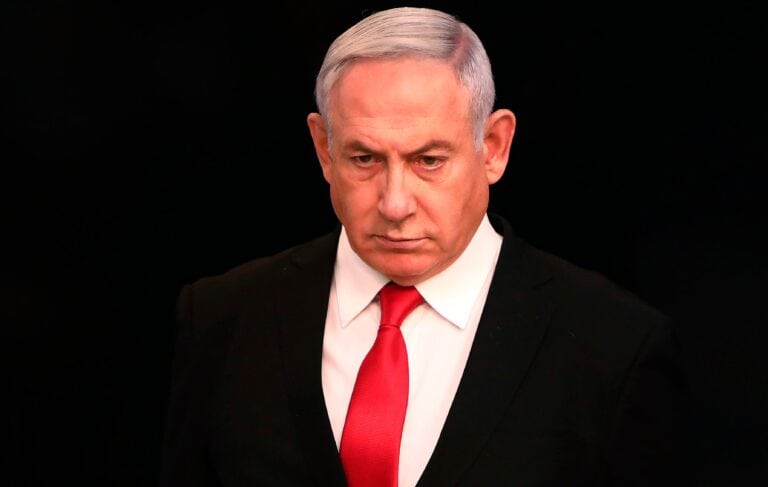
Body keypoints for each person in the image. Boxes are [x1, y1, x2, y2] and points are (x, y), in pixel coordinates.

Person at [159, 6, 693, 486]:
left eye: (429, 161)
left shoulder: (615, 348)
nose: (395, 203)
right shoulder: (221, 318)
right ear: (324, 149)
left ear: (495, 147)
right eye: (365, 159)